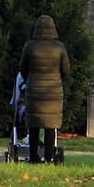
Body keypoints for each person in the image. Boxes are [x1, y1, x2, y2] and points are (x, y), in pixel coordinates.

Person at [19, 15, 72, 164]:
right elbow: (66, 70)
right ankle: (49, 157)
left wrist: (29, 80)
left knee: (34, 125)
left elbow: (23, 68)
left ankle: (33, 157)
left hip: (34, 90)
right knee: (51, 126)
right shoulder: (59, 47)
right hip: (53, 91)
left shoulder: (30, 46)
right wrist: (57, 80)